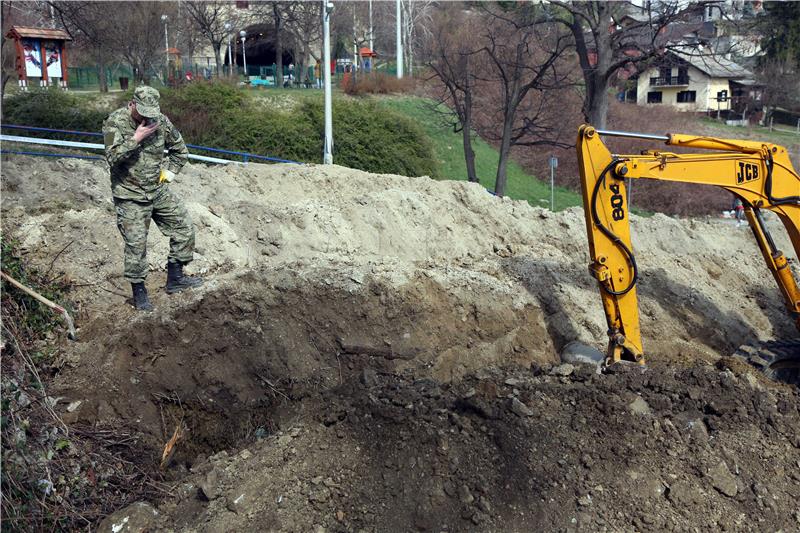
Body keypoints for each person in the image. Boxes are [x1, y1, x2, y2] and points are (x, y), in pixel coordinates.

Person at [102, 86, 202, 311]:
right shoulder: (114, 122)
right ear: (132, 104)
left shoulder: (161, 122)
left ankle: (175, 278)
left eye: (151, 112)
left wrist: (169, 174)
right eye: (142, 111)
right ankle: (139, 294)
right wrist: (136, 138)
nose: (147, 117)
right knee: (136, 246)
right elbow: (111, 157)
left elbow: (180, 150)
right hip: (130, 195)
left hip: (157, 190)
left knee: (184, 228)